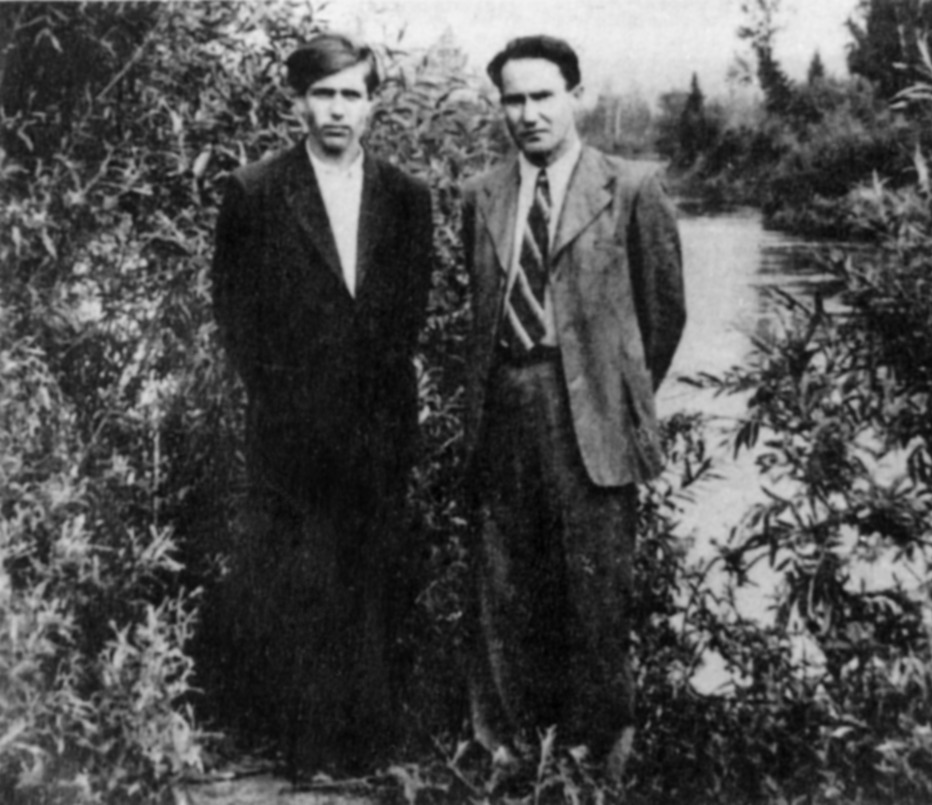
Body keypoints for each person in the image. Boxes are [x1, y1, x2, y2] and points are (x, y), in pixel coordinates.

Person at [461, 34, 686, 785]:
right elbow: (481, 306)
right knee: (503, 584)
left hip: (588, 411)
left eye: (543, 96)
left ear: (575, 96)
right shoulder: (482, 194)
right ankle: (507, 752)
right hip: (503, 401)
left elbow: (662, 315)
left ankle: (592, 762)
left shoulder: (632, 188)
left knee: (592, 591)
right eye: (513, 100)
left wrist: (611, 391)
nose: (528, 114)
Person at [211, 33, 432, 778]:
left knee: (372, 569)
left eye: (351, 94)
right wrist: (285, 398)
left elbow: (408, 312)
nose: (337, 109)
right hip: (289, 425)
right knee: (299, 575)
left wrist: (376, 402)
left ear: (373, 104)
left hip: (378, 421)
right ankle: (307, 749)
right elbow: (234, 314)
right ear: (297, 102)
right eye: (323, 93)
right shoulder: (254, 192)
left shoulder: (407, 197)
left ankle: (367, 744)